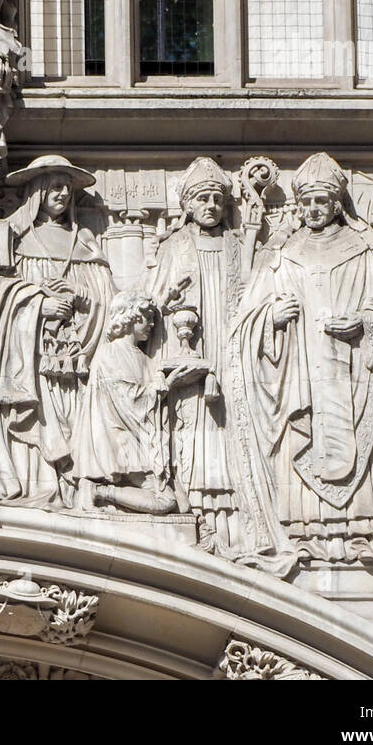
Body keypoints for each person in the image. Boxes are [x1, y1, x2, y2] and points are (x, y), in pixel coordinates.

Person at [227, 152, 373, 569]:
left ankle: (366, 538)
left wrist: (366, 321)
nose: (314, 210)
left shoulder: (364, 249)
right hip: (299, 372)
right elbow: (245, 321)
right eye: (307, 202)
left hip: (351, 373)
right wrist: (270, 320)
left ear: (337, 204)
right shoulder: (281, 253)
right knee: (303, 443)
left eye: (322, 201)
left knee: (361, 453)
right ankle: (307, 538)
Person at [0, 155, 116, 507]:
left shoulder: (83, 239)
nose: (62, 195)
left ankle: (75, 490)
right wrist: (39, 304)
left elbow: (106, 296)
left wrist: (80, 297)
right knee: (41, 417)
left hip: (76, 356)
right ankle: (39, 486)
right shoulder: (12, 234)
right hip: (31, 353)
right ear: (37, 189)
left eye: (68, 189)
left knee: (75, 419)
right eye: (55, 186)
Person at [147, 156, 241, 543]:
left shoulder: (238, 245)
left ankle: (236, 521)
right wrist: (168, 297)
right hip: (190, 349)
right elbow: (151, 298)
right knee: (195, 433)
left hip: (232, 346)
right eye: (202, 199)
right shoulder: (174, 246)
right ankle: (200, 515)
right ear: (187, 205)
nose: (210, 207)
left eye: (217, 200)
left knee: (232, 431)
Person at [76, 292, 190, 514]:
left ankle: (103, 493)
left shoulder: (146, 360)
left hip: (142, 443)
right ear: (131, 317)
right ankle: (100, 491)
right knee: (168, 501)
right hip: (121, 442)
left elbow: (146, 397)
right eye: (147, 317)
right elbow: (125, 397)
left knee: (178, 503)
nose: (151, 324)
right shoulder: (109, 353)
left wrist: (164, 386)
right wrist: (165, 386)